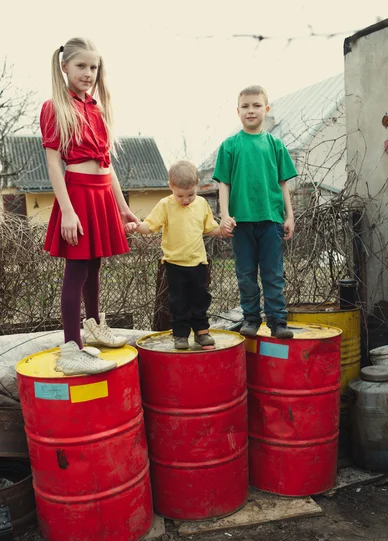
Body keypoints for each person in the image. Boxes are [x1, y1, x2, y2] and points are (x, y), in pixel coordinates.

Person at [40, 38, 139, 375]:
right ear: (65, 67)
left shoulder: (97, 108)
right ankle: (71, 348)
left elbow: (105, 165)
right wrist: (67, 210)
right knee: (77, 270)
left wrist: (122, 206)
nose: (88, 73)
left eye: (93, 67)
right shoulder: (55, 107)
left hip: (101, 195)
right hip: (78, 196)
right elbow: (54, 165)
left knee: (94, 265)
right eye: (81, 66)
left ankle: (94, 324)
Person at [213, 85, 298, 339]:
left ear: (266, 109)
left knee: (273, 274)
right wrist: (225, 215)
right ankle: (251, 319)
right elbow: (224, 184)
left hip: (271, 220)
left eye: (257, 105)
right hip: (241, 222)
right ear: (237, 112)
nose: (251, 110)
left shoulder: (275, 144)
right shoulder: (229, 145)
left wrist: (289, 215)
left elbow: (284, 183)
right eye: (246, 106)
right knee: (246, 274)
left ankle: (277, 322)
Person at [125, 161, 229, 350]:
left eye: (191, 194)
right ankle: (180, 334)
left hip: (198, 262)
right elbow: (150, 226)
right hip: (174, 263)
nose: (186, 200)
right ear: (170, 187)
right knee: (178, 300)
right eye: (180, 195)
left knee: (200, 298)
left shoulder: (202, 204)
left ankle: (202, 331)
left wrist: (222, 230)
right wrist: (136, 226)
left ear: (196, 186)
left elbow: (210, 228)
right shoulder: (165, 205)